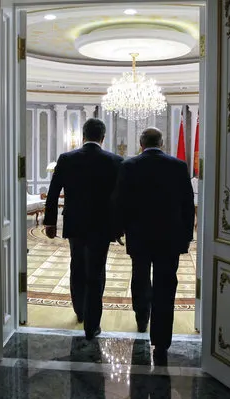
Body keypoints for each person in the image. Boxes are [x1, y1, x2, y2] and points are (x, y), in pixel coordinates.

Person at [111, 127, 195, 363]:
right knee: (166, 285)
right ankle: (162, 341)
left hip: (139, 236)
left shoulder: (129, 166)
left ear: (140, 143)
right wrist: (187, 236)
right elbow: (188, 204)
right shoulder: (178, 166)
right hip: (170, 237)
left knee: (139, 276)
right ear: (162, 143)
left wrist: (118, 230)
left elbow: (120, 202)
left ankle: (141, 319)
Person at [43, 118, 123, 340]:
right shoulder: (115, 160)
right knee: (97, 272)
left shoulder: (67, 159)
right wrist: (119, 226)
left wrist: (50, 222)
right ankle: (92, 324)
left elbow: (53, 192)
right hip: (102, 226)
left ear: (82, 136)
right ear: (103, 137)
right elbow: (120, 198)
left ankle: (79, 311)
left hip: (75, 223)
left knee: (77, 265)